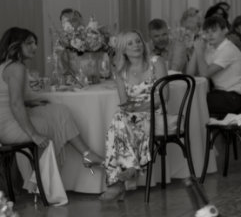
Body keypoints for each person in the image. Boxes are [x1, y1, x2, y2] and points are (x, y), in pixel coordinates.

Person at [0, 27, 103, 176]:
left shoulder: (5, 66)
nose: (34, 47)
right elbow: (15, 104)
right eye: (29, 43)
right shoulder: (16, 68)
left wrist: (35, 102)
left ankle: (87, 154)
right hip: (10, 127)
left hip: (4, 124)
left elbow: (12, 99)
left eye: (35, 43)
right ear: (15, 44)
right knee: (53, 120)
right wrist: (34, 134)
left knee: (59, 111)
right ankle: (42, 181)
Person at [99, 31, 167, 202]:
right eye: (130, 43)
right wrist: (132, 110)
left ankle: (117, 182)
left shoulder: (156, 62)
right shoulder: (120, 71)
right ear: (123, 50)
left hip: (155, 112)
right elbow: (124, 102)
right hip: (133, 116)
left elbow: (165, 96)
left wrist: (142, 108)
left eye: (138, 41)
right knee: (119, 119)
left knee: (120, 122)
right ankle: (129, 169)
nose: (136, 45)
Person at [186, 15, 241, 117]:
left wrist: (200, 52)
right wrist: (197, 50)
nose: (210, 35)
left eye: (214, 31)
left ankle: (200, 132)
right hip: (221, 94)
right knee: (189, 99)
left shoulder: (228, 49)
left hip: (233, 97)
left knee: (192, 101)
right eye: (207, 32)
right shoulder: (211, 48)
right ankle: (202, 132)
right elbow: (189, 74)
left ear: (225, 30)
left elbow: (204, 73)